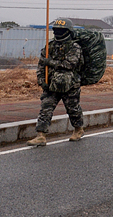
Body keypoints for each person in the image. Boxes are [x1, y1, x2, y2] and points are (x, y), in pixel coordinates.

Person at [27, 18, 85, 146]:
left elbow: (70, 64)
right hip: (51, 84)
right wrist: (42, 80)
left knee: (73, 109)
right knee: (45, 108)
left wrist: (50, 62)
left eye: (61, 30)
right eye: (57, 30)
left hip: (70, 85)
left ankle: (78, 129)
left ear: (68, 31)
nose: (58, 32)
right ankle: (41, 135)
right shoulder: (50, 47)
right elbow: (41, 65)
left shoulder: (74, 47)